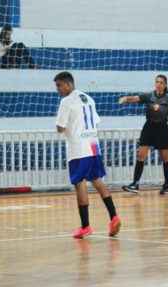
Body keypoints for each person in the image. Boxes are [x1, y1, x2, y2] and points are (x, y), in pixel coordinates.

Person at [54, 71, 121, 239]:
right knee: (97, 180)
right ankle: (114, 216)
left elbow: (60, 128)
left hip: (78, 148)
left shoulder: (66, 101)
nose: (58, 90)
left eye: (59, 86)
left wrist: (66, 127)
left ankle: (85, 226)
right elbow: (96, 121)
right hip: (93, 145)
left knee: (80, 184)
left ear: (68, 84)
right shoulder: (88, 98)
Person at [117, 75, 168, 195]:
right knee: (140, 155)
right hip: (149, 128)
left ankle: (166, 185)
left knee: (165, 158)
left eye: (161, 82)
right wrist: (125, 98)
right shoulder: (149, 96)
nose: (158, 84)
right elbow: (135, 98)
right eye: (157, 82)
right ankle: (135, 184)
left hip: (162, 129)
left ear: (165, 85)